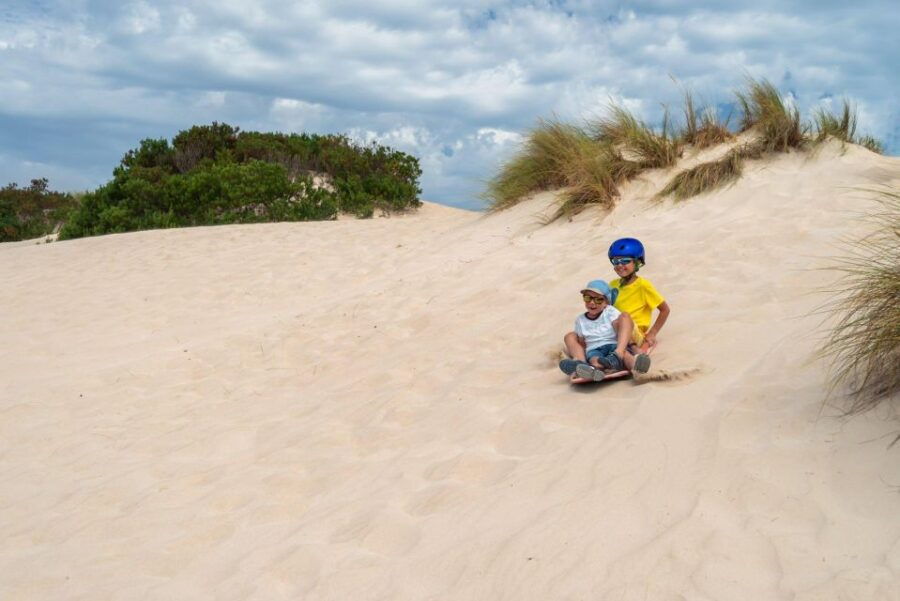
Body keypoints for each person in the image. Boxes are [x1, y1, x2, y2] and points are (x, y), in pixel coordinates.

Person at [559, 279, 652, 383]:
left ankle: (636, 368)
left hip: (614, 347)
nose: (592, 303)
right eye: (587, 298)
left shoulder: (609, 311)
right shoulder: (580, 320)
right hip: (594, 349)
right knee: (594, 359)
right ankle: (585, 367)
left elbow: (619, 325)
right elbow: (582, 342)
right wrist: (585, 353)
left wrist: (628, 347)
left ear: (606, 302)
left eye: (598, 300)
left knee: (625, 355)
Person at [607, 237, 670, 352]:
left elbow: (665, 310)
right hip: (615, 330)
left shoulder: (643, 285)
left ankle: (622, 354)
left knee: (624, 318)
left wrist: (652, 333)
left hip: (634, 334)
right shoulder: (612, 285)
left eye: (625, 261)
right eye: (616, 261)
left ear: (637, 262)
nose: (620, 265)